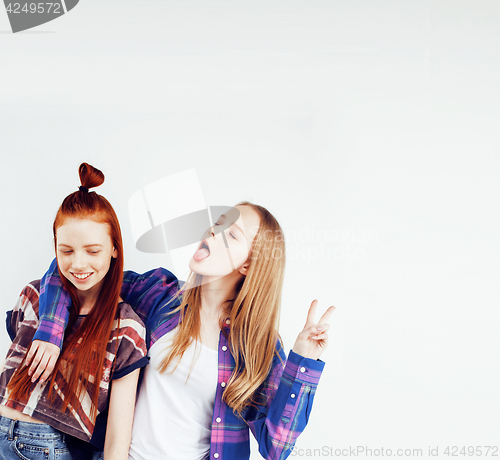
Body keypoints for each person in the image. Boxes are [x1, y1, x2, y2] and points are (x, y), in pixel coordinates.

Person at [28, 201, 335, 459]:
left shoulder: (259, 347)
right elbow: (76, 269)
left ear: (248, 264)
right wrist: (50, 332)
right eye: (217, 223)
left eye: (232, 234)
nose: (214, 232)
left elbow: (276, 448)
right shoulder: (159, 293)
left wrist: (303, 364)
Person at [0, 163, 148, 460]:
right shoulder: (34, 296)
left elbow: (119, 432)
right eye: (66, 251)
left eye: (93, 251)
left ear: (114, 248)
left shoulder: (126, 326)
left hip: (51, 447)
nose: (78, 264)